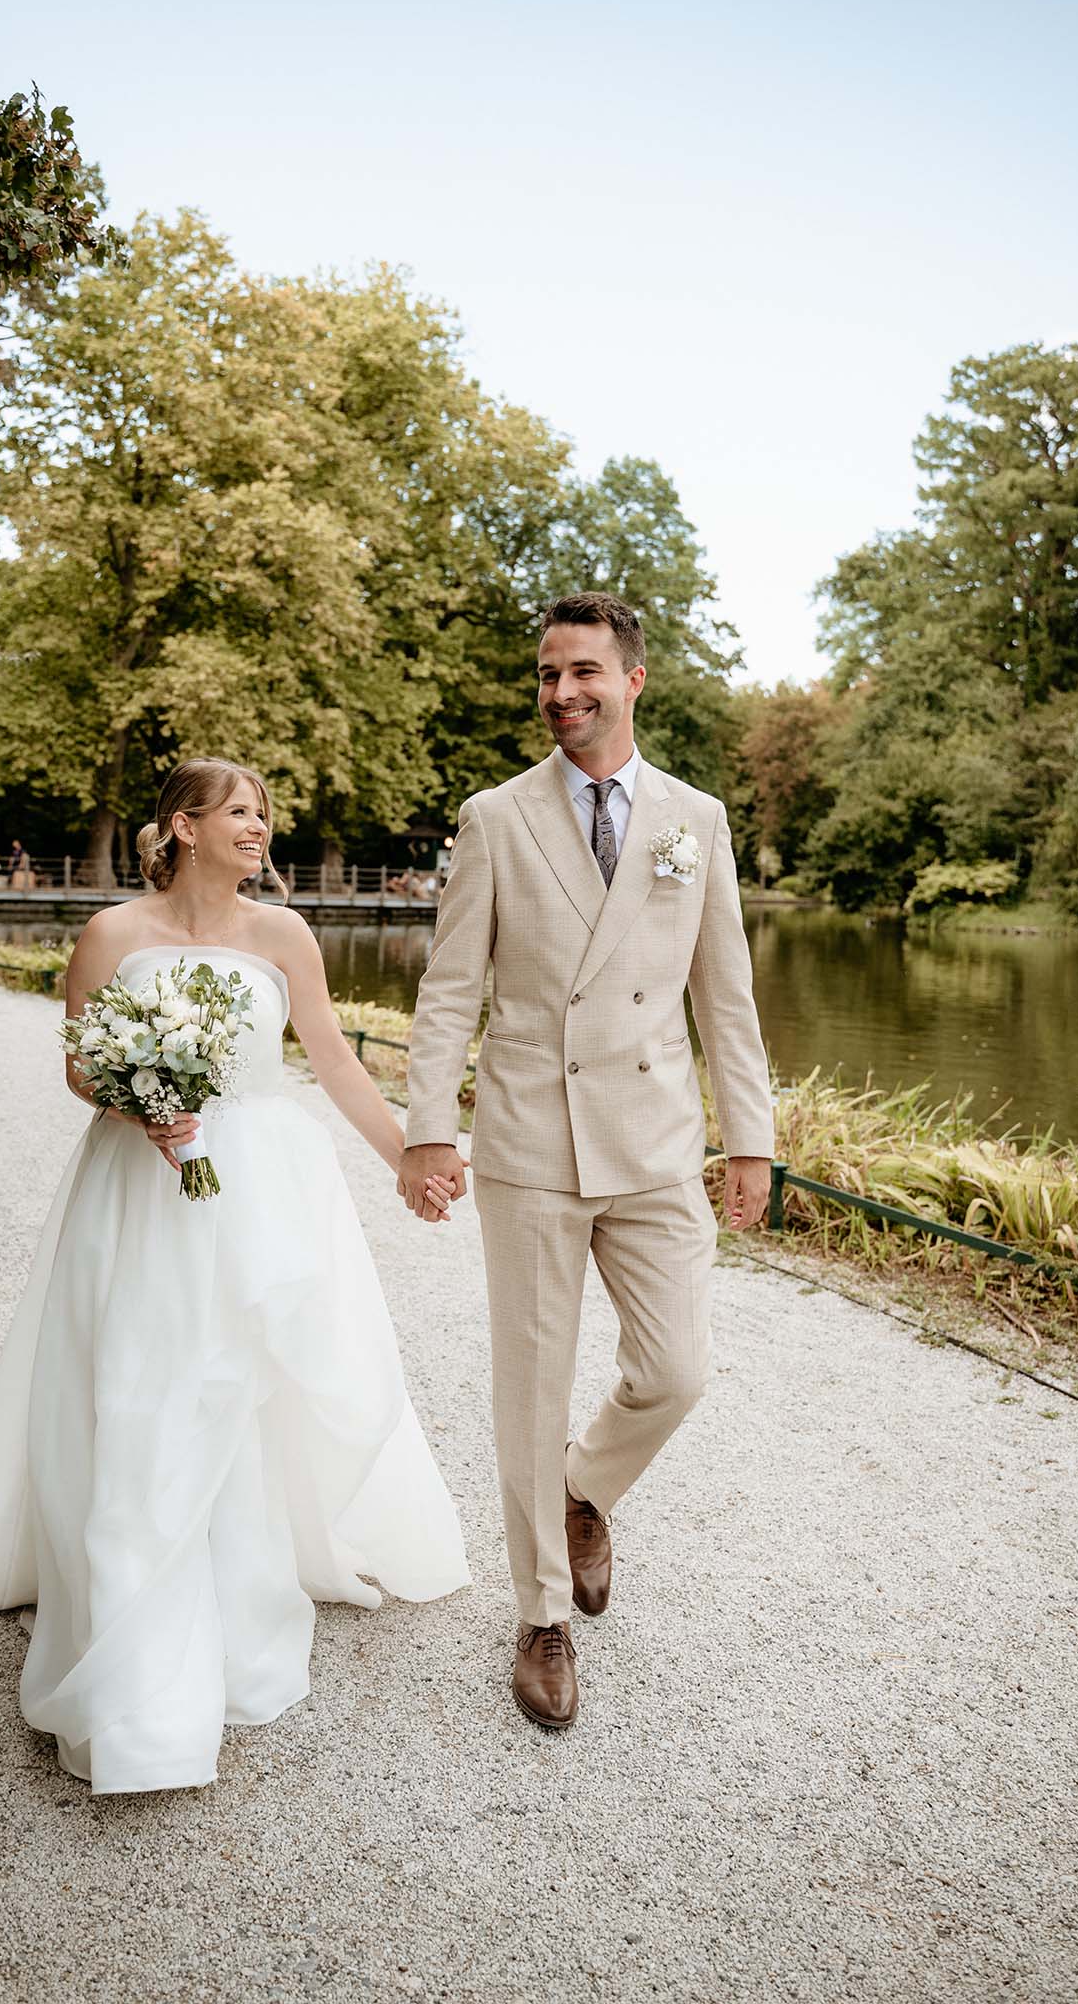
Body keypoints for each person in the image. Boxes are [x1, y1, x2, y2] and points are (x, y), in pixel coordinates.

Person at [0, 757, 468, 1793]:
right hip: (136, 1184)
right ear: (182, 825)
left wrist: (408, 1155)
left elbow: (333, 1059)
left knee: (238, 1376)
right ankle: (132, 1591)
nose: (259, 828)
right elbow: (79, 1064)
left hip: (259, 1182)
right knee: (142, 1377)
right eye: (240, 812)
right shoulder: (111, 934)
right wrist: (140, 1103)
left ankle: (234, 1561)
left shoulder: (284, 934)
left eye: (264, 814)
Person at [398, 592, 774, 1731]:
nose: (560, 693)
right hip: (529, 1136)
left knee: (676, 1369)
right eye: (547, 674)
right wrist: (427, 1126)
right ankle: (541, 1616)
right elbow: (448, 990)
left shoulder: (694, 818)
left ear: (631, 680)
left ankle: (583, 1486)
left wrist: (749, 1137)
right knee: (531, 1384)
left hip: (654, 1141)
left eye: (582, 673)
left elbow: (725, 995)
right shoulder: (495, 817)